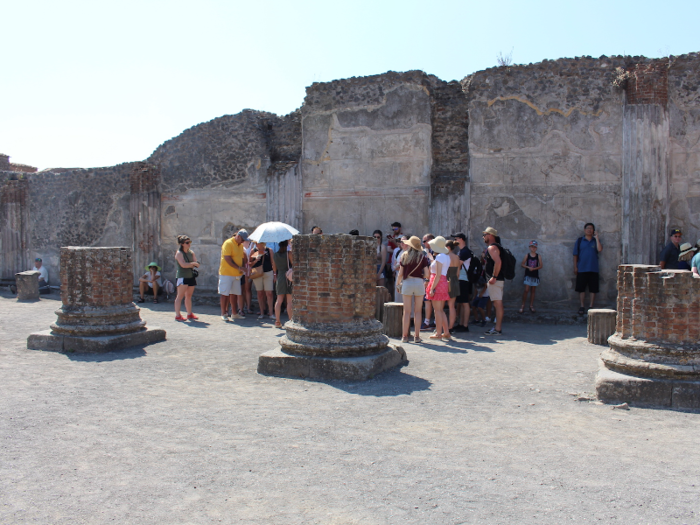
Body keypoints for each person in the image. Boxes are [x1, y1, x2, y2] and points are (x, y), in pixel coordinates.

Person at [396, 236, 430, 343]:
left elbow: (400, 273)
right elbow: (427, 274)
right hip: (419, 283)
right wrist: (425, 280)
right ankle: (417, 336)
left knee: (406, 311)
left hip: (407, 282)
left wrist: (398, 284)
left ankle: (405, 336)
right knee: (418, 311)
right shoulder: (422, 257)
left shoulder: (404, 256)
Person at [573, 222, 603, 315]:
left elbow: (599, 250)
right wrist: (575, 267)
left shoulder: (595, 241)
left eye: (591, 228)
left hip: (593, 268)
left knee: (593, 289)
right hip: (582, 268)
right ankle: (582, 306)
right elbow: (575, 255)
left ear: (593, 231)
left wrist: (597, 238)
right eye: (587, 228)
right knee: (581, 289)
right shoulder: (579, 241)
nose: (589, 230)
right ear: (584, 230)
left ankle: (591, 307)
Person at [219, 229, 248, 321]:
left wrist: (243, 267)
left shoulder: (240, 246)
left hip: (236, 274)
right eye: (242, 239)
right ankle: (224, 313)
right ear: (238, 236)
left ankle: (234, 313)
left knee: (235, 294)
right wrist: (239, 268)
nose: (243, 242)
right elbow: (227, 258)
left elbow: (242, 258)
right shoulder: (228, 243)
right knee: (225, 294)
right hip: (226, 273)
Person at [427, 236, 451, 341]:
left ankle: (438, 333)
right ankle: (446, 332)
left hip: (437, 282)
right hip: (443, 282)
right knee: (440, 310)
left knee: (437, 310)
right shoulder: (446, 256)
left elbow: (437, 274)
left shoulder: (440, 257)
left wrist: (432, 288)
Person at [482, 227, 505, 335]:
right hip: (498, 280)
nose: (483, 237)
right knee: (497, 303)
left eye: (485, 234)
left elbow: (498, 262)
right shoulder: (496, 247)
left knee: (497, 303)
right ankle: (497, 327)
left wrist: (494, 276)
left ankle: (498, 328)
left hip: (495, 280)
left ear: (490, 235)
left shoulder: (492, 247)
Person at [174, 235, 200, 321]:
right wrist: (192, 264)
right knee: (180, 296)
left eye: (190, 242)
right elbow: (183, 265)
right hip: (182, 276)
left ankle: (189, 313)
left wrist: (193, 263)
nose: (189, 244)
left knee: (188, 296)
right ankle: (178, 315)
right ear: (182, 244)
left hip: (191, 276)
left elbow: (196, 263)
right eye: (187, 243)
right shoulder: (179, 253)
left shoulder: (191, 252)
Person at [451, 233, 472, 332]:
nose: (455, 240)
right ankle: (461, 323)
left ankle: (465, 325)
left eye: (456, 238)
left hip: (463, 278)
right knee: (461, 302)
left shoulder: (465, 252)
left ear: (462, 239)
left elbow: (457, 265)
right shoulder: (461, 251)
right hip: (461, 278)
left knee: (465, 302)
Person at [250, 241, 275, 320]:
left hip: (268, 273)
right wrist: (256, 260)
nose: (257, 245)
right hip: (257, 273)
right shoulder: (253, 251)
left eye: (258, 243)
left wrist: (275, 274)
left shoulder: (269, 250)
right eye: (256, 243)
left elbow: (273, 263)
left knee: (269, 293)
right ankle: (262, 312)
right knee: (260, 293)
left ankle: (271, 313)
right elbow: (249, 264)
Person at [273, 239, 293, 328]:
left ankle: (277, 321)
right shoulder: (289, 254)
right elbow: (294, 264)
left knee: (279, 300)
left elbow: (274, 267)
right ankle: (290, 320)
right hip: (288, 277)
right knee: (289, 301)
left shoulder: (275, 255)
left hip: (280, 276)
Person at [519, 240, 543, 314]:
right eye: (532, 247)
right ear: (530, 247)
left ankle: (531, 305)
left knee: (533, 291)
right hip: (528, 275)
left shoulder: (538, 256)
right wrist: (528, 267)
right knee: (526, 290)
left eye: (535, 247)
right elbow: (522, 264)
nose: (533, 248)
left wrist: (534, 269)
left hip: (535, 275)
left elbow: (541, 265)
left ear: (536, 248)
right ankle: (522, 305)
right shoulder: (527, 255)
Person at [445, 240, 461, 332]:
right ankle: (451, 327)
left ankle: (443, 327)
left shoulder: (446, 257)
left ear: (448, 247)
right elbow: (458, 273)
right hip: (455, 280)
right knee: (452, 306)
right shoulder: (457, 257)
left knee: (441, 306)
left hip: (446, 280)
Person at [421, 233, 436, 330]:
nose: (423, 243)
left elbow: (433, 266)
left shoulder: (436, 251)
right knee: (427, 301)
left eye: (424, 241)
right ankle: (427, 321)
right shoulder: (426, 251)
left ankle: (434, 322)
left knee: (434, 302)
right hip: (427, 278)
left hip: (433, 279)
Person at [241, 231, 254, 315]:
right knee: (242, 289)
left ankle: (248, 306)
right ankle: (242, 306)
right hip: (242, 268)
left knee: (248, 288)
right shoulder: (239, 245)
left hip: (250, 268)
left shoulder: (253, 244)